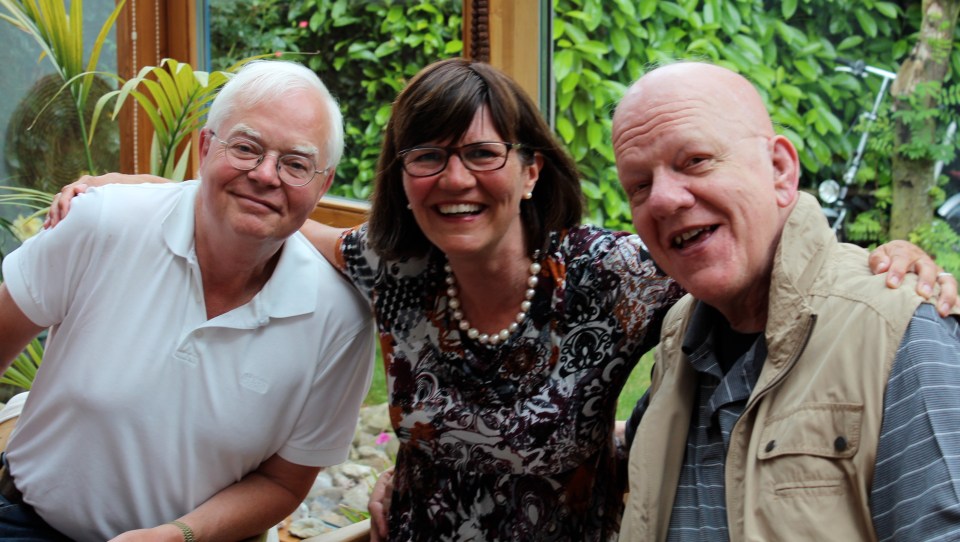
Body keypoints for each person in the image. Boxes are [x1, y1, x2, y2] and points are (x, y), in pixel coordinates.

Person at [46, 58, 958, 542]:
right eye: (427, 157)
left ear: (529, 171)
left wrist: (886, 261)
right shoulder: (393, 271)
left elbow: (753, 260)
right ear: (403, 181)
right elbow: (275, 211)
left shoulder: (612, 277)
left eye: (483, 154)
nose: (455, 180)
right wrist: (141, 189)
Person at [0, 59, 375, 541]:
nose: (266, 175)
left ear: (323, 185)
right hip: (25, 524)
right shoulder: (102, 222)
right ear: (204, 147)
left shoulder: (340, 319)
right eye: (246, 148)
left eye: (295, 164)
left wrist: (180, 534)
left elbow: (283, 483)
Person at [612, 61, 960, 541]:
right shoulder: (680, 340)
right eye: (639, 185)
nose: (663, 200)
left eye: (695, 160)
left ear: (779, 169)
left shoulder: (898, 329)